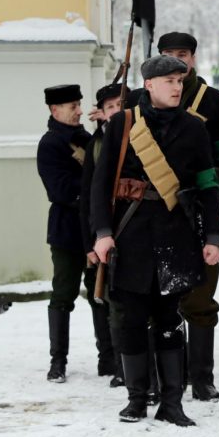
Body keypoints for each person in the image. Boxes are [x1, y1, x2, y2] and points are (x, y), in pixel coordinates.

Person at [90, 55, 219, 426]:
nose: (177, 87)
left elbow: (208, 186)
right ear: (148, 85)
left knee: (169, 320)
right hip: (130, 235)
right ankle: (136, 399)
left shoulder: (195, 129)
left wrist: (213, 235)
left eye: (180, 81)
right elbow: (100, 186)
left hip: (176, 233)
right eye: (168, 82)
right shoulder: (123, 125)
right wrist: (102, 233)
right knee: (131, 319)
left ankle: (172, 402)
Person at [144, 31, 219, 403]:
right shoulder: (139, 102)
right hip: (153, 212)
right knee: (158, 297)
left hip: (202, 206)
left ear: (193, 58)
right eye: (169, 54)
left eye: (183, 54)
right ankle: (166, 376)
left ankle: (202, 377)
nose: (178, 61)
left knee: (201, 297)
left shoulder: (214, 102)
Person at [37, 84, 98, 383]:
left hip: (96, 229)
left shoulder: (87, 138)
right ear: (54, 110)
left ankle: (109, 358)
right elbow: (59, 189)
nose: (78, 110)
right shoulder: (50, 144)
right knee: (63, 295)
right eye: (72, 105)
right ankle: (57, 360)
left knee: (101, 294)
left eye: (78, 104)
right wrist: (93, 193)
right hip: (66, 230)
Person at [78, 83, 126, 388]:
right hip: (106, 234)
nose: (116, 112)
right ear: (102, 113)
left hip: (136, 230)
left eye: (120, 105)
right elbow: (88, 199)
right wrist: (91, 244)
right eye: (109, 107)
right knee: (108, 302)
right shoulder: (97, 145)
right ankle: (115, 360)